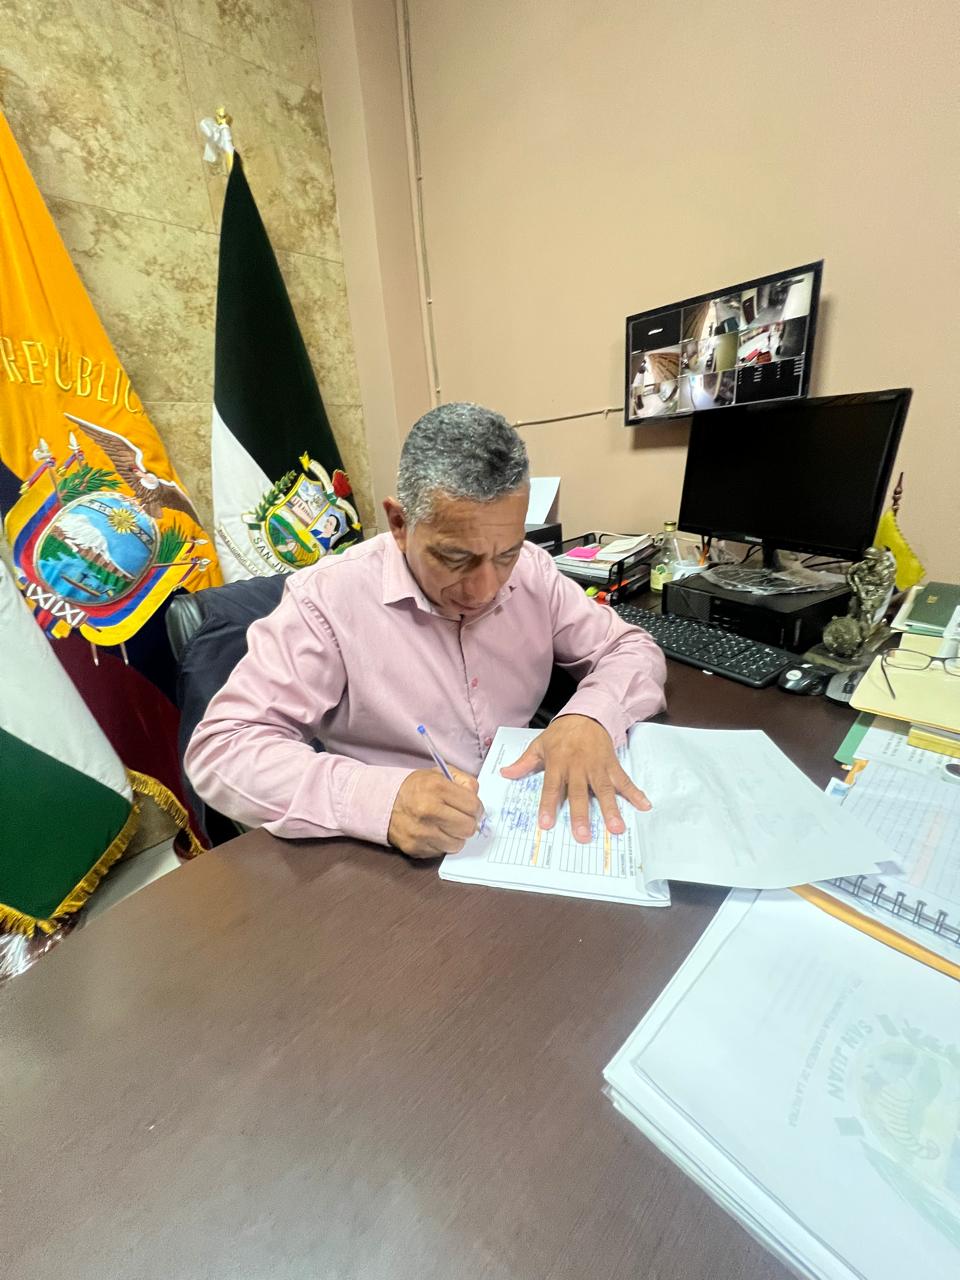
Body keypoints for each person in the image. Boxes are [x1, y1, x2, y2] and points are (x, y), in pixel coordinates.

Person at [186, 403, 666, 858]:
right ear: (399, 523)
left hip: (523, 824)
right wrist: (380, 800)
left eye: (505, 554)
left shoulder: (534, 572)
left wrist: (590, 716)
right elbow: (222, 749)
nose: (485, 589)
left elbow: (629, 647)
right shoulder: (326, 601)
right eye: (456, 558)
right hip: (391, 856)